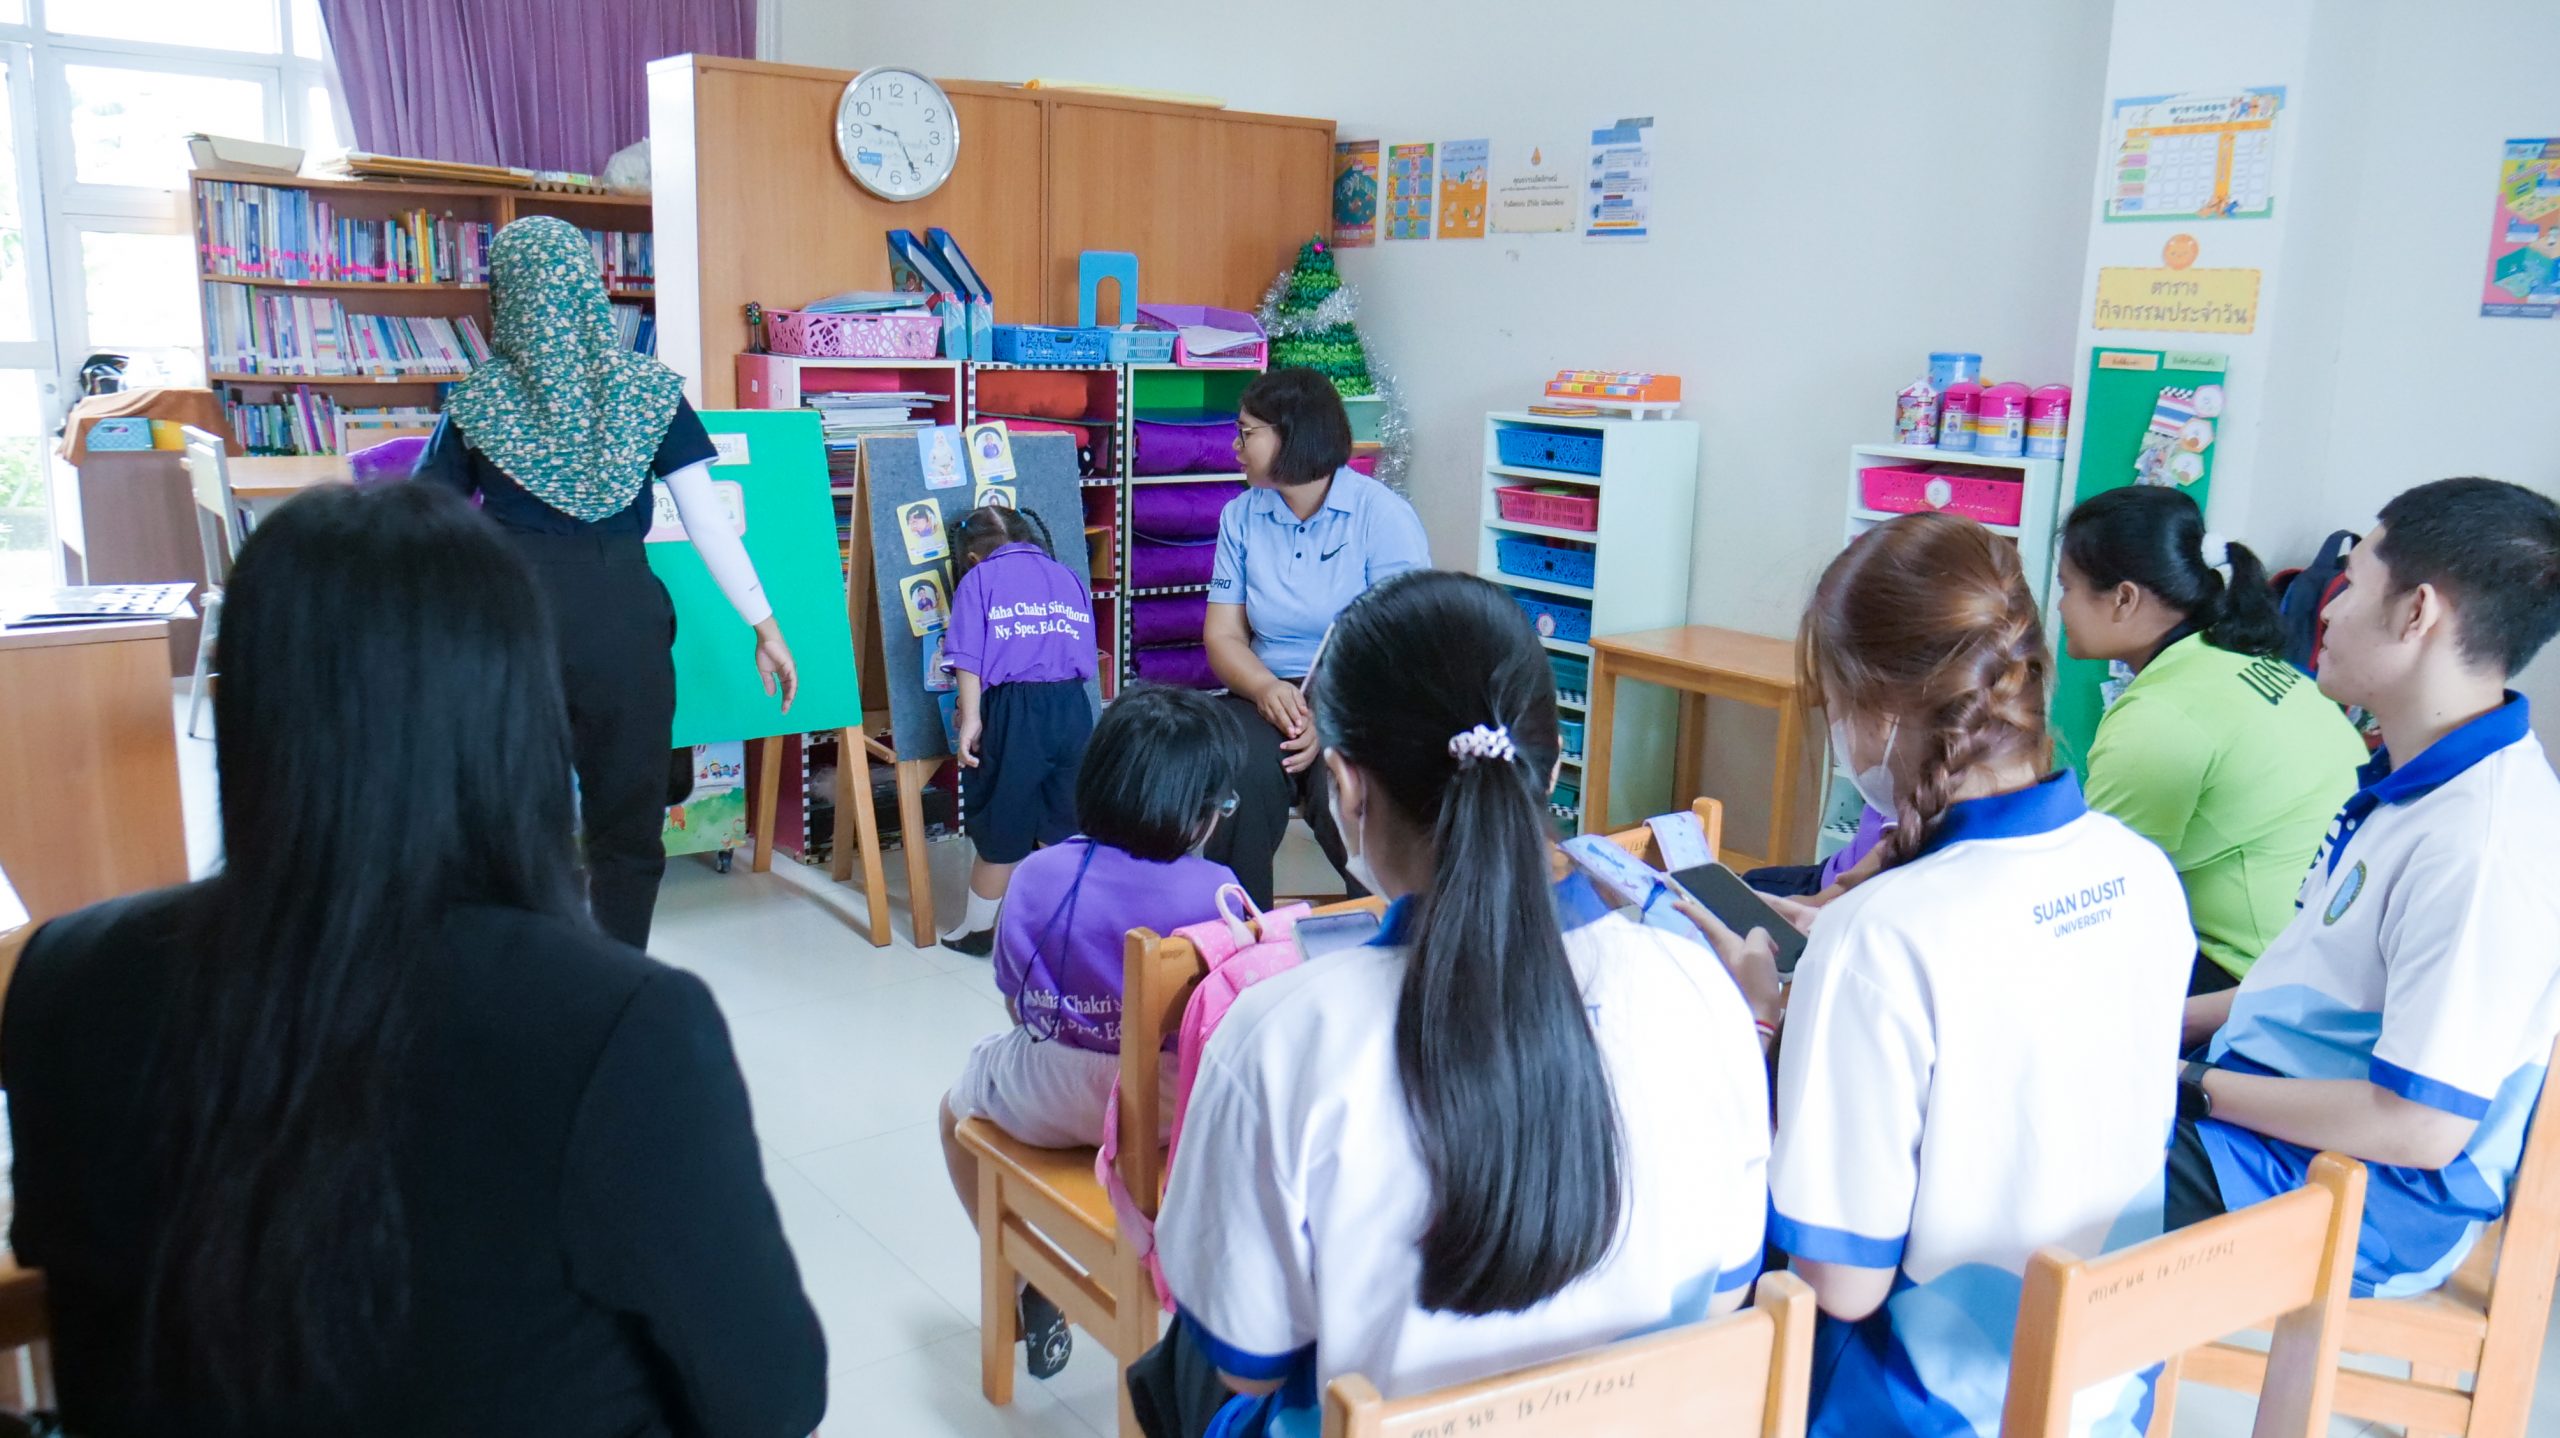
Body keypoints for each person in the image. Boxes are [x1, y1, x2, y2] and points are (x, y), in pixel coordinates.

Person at [0, 483, 824, 1437]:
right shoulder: (620, 1029)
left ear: (246, 707)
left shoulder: (64, 977)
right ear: (517, 713)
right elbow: (773, 1398)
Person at [1154, 571, 1770, 1438]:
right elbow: (1730, 1291)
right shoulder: (1698, 989)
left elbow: (1242, 1361)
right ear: (1553, 766)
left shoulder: (1281, 1036)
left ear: (1347, 787)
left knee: (1177, 1370)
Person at [1692, 513, 2191, 1438]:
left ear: (1879, 714)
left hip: (1928, 1406)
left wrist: (1764, 1034)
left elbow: (1842, 1287)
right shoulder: (2142, 874)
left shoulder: (1878, 939)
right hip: (2108, 1386)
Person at [2170, 478, 2560, 1301]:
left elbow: (2419, 1128)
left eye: (2351, 584)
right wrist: (2154, 1025)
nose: (2327, 610)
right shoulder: (2416, 779)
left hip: (2358, 1197)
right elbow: (2313, 992)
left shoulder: (2478, 844)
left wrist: (2187, 1085)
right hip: (2268, 1124)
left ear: (2417, 613)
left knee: (2012, 1166)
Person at [415, 215, 797, 949]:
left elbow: (422, 524)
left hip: (510, 621)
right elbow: (709, 522)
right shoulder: (648, 393)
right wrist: (766, 628)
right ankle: (617, 977)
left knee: (513, 819)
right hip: (623, 619)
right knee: (627, 821)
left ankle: (532, 972)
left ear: (506, 298)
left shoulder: (479, 400)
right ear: (590, 292)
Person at [939, 683, 1244, 1379]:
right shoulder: (1219, 891)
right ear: (1200, 813)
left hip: (1046, 1096)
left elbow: (1016, 1002)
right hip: (1168, 1117)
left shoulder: (1038, 873)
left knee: (955, 1112)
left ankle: (1024, 1279)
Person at [2057, 486, 2368, 992]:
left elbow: (2093, 893)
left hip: (2249, 974)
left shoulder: (2159, 714)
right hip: (2326, 954)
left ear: (2123, 599)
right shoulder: (2247, 665)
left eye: (2066, 587)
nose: (2060, 606)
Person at [1200, 368, 1430, 908]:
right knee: (1239, 771)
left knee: (1349, 784)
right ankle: (1244, 931)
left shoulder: (1382, 516)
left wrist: (1328, 720)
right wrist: (1265, 689)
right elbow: (1223, 636)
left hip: (1362, 695)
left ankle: (1386, 927)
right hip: (1268, 690)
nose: (1235, 446)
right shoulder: (1241, 516)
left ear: (1293, 435)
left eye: (1247, 433)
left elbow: (1407, 646)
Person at [938, 506, 1101, 955]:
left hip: (1013, 710)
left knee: (1002, 825)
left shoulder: (979, 579)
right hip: (1072, 708)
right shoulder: (1067, 576)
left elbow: (967, 657)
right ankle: (1063, 929)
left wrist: (972, 718)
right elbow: (1084, 650)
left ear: (972, 557)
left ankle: (977, 931)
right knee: (1064, 824)